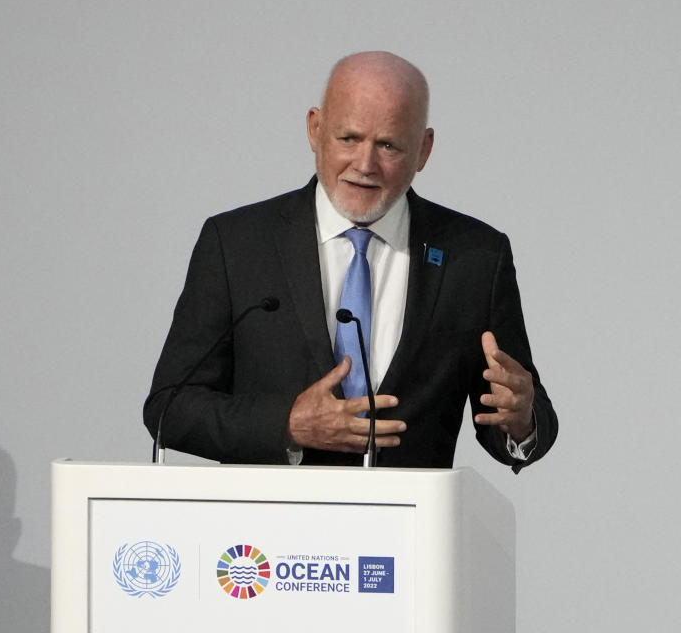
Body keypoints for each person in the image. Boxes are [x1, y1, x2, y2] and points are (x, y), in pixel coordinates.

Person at [144, 51, 557, 472]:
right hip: (270, 528)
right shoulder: (237, 244)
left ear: (423, 150)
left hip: (411, 530)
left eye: (388, 145)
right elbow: (170, 407)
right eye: (349, 139)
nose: (365, 164)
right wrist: (287, 424)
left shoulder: (476, 257)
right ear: (315, 129)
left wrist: (521, 419)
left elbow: (523, 415)